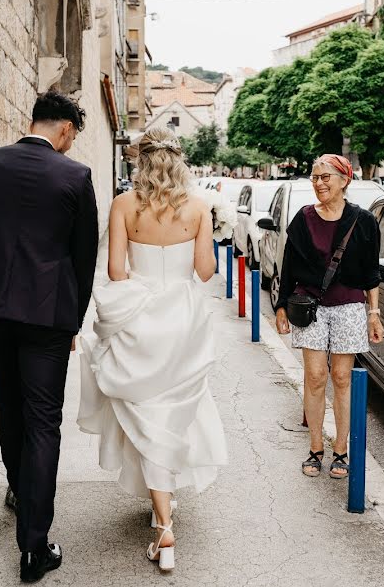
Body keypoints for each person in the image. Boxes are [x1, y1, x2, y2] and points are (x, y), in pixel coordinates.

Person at [0, 91, 99, 583]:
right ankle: (34, 548)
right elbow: (84, 258)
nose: (70, 146)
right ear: (64, 129)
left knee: (9, 409)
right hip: (48, 317)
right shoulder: (75, 177)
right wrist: (73, 321)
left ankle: (21, 490)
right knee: (43, 421)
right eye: (73, 137)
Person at [77, 127, 228, 572]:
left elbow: (116, 271)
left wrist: (141, 295)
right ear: (179, 162)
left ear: (140, 161)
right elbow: (204, 272)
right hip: (182, 320)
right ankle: (164, 513)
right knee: (173, 409)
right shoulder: (198, 209)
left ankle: (163, 526)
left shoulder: (124, 205)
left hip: (141, 318)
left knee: (145, 409)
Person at [273, 154, 384, 479]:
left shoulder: (363, 221)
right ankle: (315, 448)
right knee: (316, 376)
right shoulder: (303, 219)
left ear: (344, 180)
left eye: (326, 178)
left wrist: (373, 314)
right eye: (315, 178)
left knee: (341, 378)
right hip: (311, 307)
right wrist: (281, 305)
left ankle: (341, 450)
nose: (319, 183)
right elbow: (289, 266)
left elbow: (371, 273)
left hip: (349, 307)